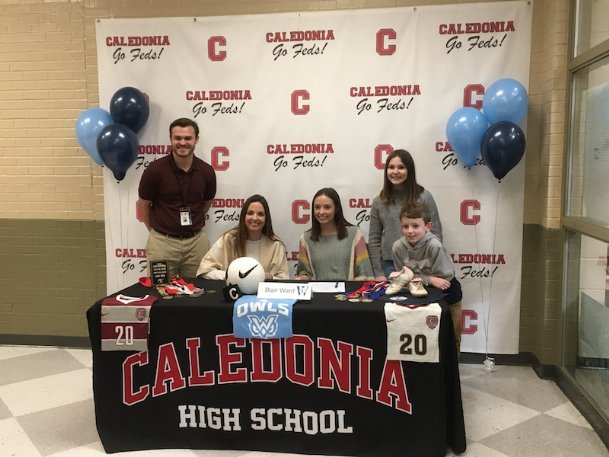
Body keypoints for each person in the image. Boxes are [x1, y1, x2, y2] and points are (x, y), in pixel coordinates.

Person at [137, 117, 217, 278]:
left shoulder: (207, 171)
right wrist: (154, 232)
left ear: (196, 140)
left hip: (196, 243)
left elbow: (206, 203)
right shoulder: (154, 170)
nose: (182, 142)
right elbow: (144, 204)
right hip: (162, 243)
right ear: (171, 140)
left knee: (199, 294)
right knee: (160, 294)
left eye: (188, 138)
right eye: (177, 138)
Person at [391, 200, 462, 354]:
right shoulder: (398, 247)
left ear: (427, 227)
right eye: (405, 226)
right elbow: (402, 277)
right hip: (419, 293)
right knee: (424, 337)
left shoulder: (434, 246)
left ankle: (452, 373)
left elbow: (443, 280)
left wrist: (416, 277)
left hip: (448, 294)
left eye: (415, 226)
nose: (410, 231)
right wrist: (429, 279)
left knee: (451, 336)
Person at [368, 149, 442, 281]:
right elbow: (374, 240)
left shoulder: (424, 197)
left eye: (401, 167)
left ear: (410, 171)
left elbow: (435, 232)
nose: (395, 172)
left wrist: (434, 265)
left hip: (422, 264)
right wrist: (378, 273)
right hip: (390, 265)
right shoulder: (379, 201)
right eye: (391, 167)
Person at [196, 194, 290, 280]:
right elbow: (205, 271)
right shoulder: (228, 240)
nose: (255, 218)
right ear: (243, 217)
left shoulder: (276, 246)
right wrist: (231, 275)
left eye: (260, 214)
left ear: (266, 219)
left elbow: (284, 281)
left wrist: (269, 277)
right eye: (250, 213)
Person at [296, 187, 374, 281]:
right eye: (317, 207)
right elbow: (303, 271)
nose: (321, 212)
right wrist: (303, 277)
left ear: (336, 209)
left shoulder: (355, 235)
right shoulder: (306, 239)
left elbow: (365, 273)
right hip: (318, 294)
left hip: (349, 294)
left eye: (327, 207)